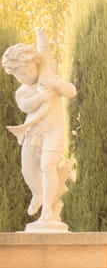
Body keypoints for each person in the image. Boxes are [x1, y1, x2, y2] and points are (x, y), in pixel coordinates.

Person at [2, 29, 77, 227]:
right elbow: (25, 106)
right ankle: (39, 194)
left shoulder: (49, 79)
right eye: (19, 75)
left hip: (54, 133)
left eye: (27, 71)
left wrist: (56, 85)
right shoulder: (22, 91)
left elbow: (71, 91)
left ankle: (48, 212)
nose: (24, 77)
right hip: (32, 134)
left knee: (47, 166)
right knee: (28, 170)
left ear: (36, 64)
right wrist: (40, 97)